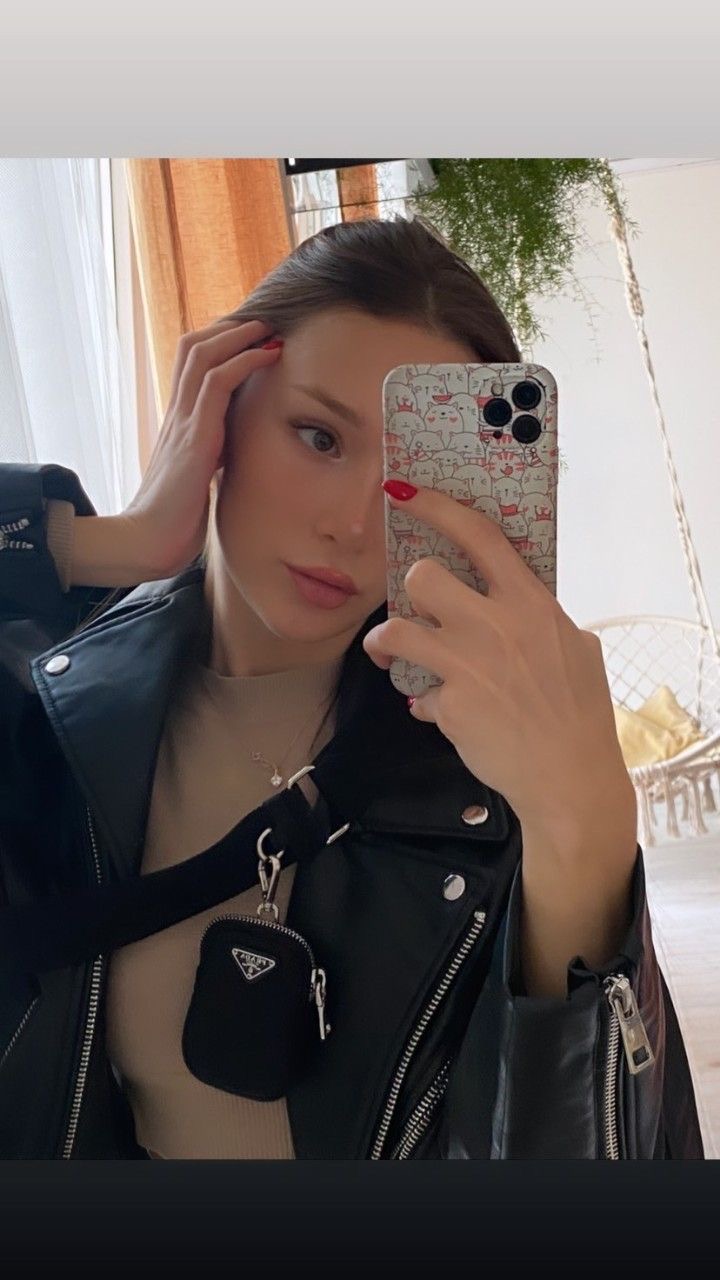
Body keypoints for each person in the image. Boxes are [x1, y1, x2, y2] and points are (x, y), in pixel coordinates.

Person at [0, 215, 704, 1160]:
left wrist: (585, 836)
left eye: (412, 478)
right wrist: (100, 543)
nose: (354, 526)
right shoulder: (57, 701)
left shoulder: (490, 769)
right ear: (218, 410)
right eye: (319, 436)